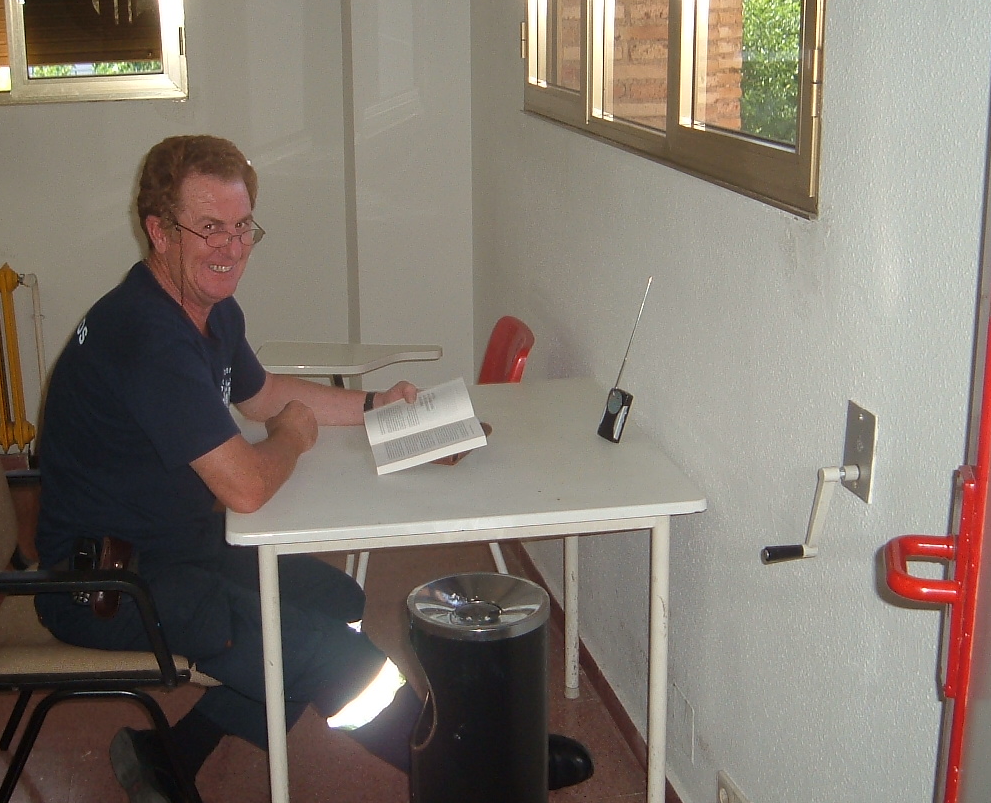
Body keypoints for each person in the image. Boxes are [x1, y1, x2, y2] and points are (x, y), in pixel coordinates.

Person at [33, 135, 593, 802]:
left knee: (337, 602)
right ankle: (469, 771)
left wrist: (371, 406)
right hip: (107, 583)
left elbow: (264, 394)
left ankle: (172, 751)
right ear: (159, 231)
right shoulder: (146, 336)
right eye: (209, 228)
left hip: (171, 547)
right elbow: (245, 484)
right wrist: (294, 438)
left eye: (243, 228)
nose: (231, 248)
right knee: (335, 658)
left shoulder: (206, 311)